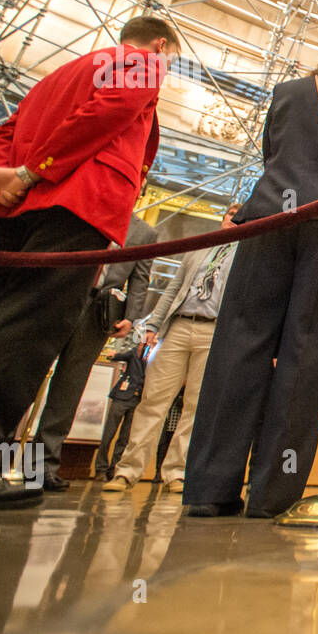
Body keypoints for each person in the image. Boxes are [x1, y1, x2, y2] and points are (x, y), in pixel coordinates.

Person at [0, 15, 175, 507]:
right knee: (22, 331)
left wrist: (4, 192)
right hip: (76, 205)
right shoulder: (142, 63)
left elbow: (6, 132)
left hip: (18, 212)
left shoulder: (57, 75)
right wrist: (29, 173)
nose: (169, 68)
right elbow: (108, 113)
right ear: (159, 45)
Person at [182, 34, 318, 517]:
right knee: (306, 356)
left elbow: (271, 155)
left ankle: (209, 488)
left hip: (270, 219)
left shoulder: (287, 93)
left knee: (238, 346)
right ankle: (273, 494)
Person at [103, 205, 242, 494]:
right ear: (222, 218)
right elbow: (173, 288)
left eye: (239, 216)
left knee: (195, 406)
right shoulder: (199, 247)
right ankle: (127, 471)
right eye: (229, 214)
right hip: (178, 325)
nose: (232, 219)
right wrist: (153, 325)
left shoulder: (247, 255)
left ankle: (176, 472)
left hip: (214, 330)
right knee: (153, 400)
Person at [36, 214, 158, 491]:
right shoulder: (86, 212)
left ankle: (41, 466)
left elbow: (140, 279)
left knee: (69, 386)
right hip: (59, 297)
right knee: (26, 376)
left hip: (99, 312)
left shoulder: (145, 234)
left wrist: (131, 317)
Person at [94, 327, 158, 481]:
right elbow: (119, 356)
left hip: (138, 400)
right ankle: (100, 468)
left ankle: (114, 469)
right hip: (122, 396)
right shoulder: (135, 352)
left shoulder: (157, 359)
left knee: (124, 438)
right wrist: (112, 355)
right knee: (108, 434)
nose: (153, 342)